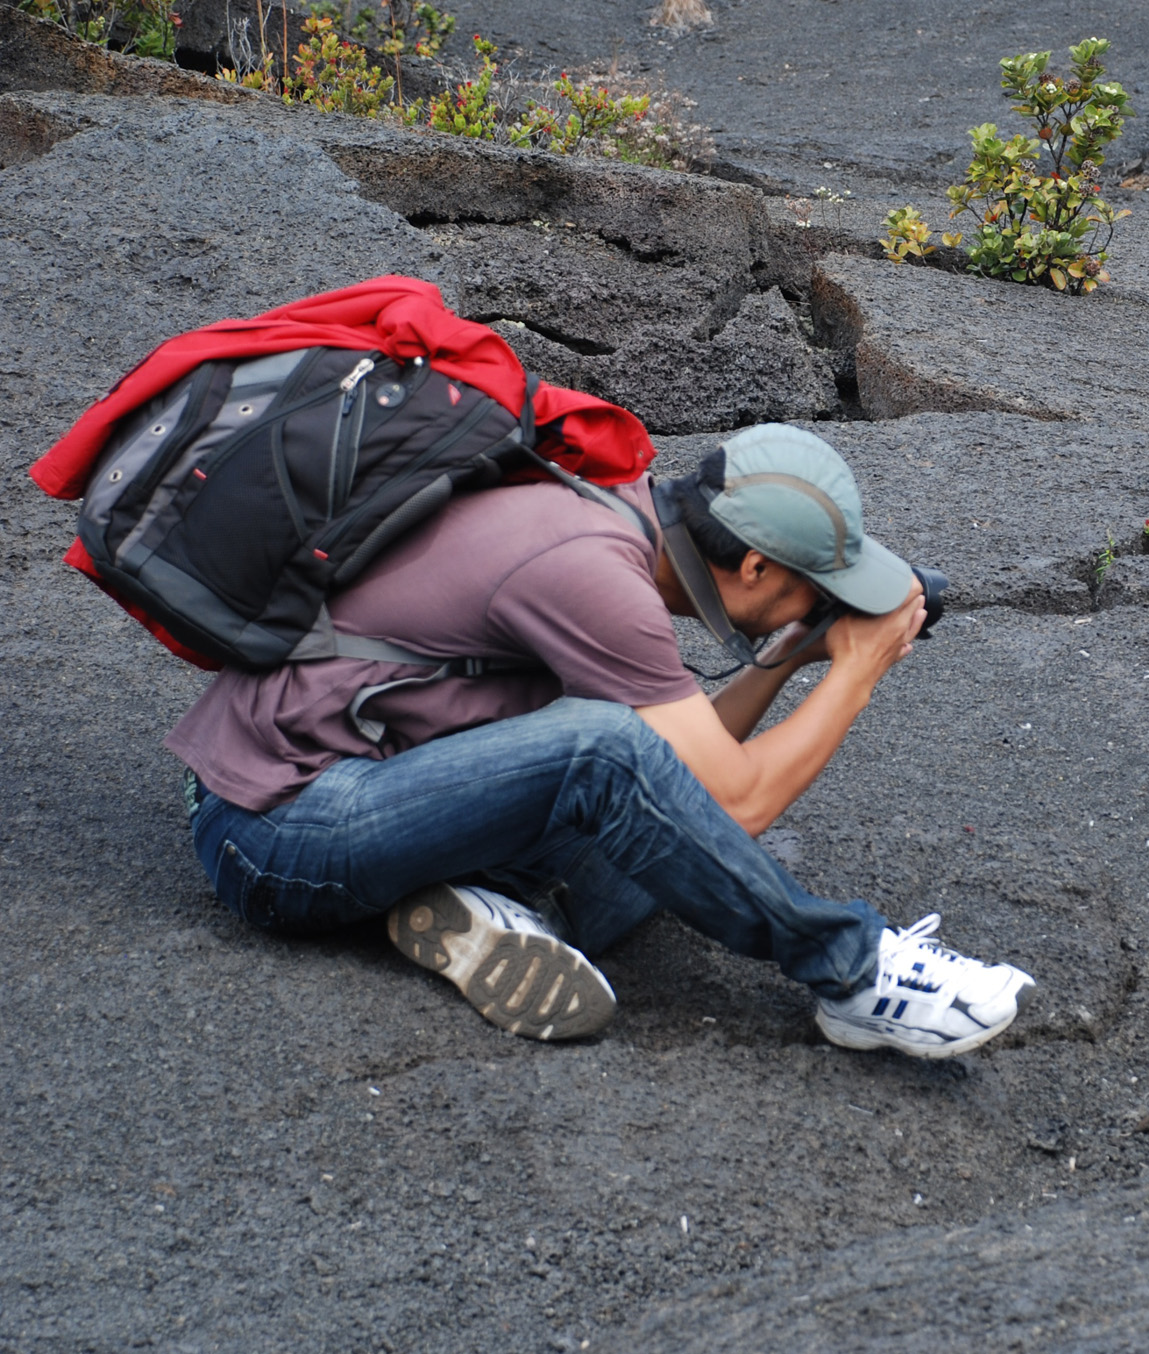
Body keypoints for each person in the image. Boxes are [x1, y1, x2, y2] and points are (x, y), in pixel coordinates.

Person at [169, 423, 1034, 1055]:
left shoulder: (605, 513)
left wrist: (790, 655)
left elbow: (689, 777)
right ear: (759, 569)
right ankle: (852, 975)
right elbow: (735, 796)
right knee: (617, 758)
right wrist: (856, 673)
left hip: (390, 792)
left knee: (673, 824)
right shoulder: (589, 575)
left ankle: (493, 916)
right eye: (818, 591)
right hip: (275, 827)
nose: (823, 607)